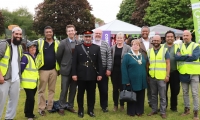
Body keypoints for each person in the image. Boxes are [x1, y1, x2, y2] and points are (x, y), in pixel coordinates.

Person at [72, 30, 103, 118]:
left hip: (92, 75)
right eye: (86, 36)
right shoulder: (78, 47)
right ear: (83, 37)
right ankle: (80, 110)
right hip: (81, 74)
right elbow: (74, 62)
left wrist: (100, 74)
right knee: (80, 94)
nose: (87, 38)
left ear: (91, 37)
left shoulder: (96, 48)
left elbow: (99, 62)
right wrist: (74, 74)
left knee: (91, 94)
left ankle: (90, 110)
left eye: (89, 36)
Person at [175, 30, 200, 120]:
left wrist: (183, 56)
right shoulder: (179, 46)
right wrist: (188, 55)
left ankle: (196, 112)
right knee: (185, 93)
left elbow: (195, 57)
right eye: (184, 35)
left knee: (194, 93)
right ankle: (187, 109)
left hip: (194, 73)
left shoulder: (196, 46)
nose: (185, 37)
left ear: (191, 36)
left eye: (187, 35)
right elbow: (177, 57)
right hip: (183, 73)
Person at [56, 25, 80, 115]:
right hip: (65, 70)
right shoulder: (62, 43)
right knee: (64, 89)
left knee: (73, 90)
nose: (71, 32)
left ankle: (70, 106)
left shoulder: (79, 42)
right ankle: (61, 107)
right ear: (67, 33)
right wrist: (63, 64)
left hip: (75, 71)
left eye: (72, 30)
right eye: (69, 31)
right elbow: (58, 56)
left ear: (75, 32)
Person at [0, 27, 23, 120]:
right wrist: (0, 75)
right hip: (4, 79)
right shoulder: (4, 44)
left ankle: (9, 118)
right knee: (1, 101)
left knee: (14, 102)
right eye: (16, 34)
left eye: (20, 34)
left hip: (15, 79)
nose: (18, 36)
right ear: (12, 34)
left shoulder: (20, 47)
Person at [36, 26, 60, 116]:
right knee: (41, 90)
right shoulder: (39, 42)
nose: (49, 33)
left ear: (52, 33)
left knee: (52, 90)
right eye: (47, 32)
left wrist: (59, 69)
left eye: (50, 32)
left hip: (53, 70)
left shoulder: (57, 43)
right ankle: (41, 108)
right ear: (44, 33)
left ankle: (50, 107)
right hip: (43, 70)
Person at [121, 40, 147, 117]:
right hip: (131, 80)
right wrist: (126, 81)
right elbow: (124, 69)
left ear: (139, 46)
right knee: (132, 95)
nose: (135, 46)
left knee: (140, 95)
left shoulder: (142, 55)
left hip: (141, 80)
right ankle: (131, 111)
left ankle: (139, 111)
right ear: (131, 46)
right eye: (133, 44)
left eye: (137, 44)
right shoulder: (127, 56)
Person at [147, 35, 170, 119]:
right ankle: (154, 110)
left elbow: (168, 63)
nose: (156, 42)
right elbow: (148, 64)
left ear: (161, 41)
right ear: (152, 41)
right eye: (154, 40)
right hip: (152, 76)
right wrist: (148, 75)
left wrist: (167, 75)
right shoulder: (149, 51)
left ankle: (163, 112)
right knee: (153, 95)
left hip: (162, 77)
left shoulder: (165, 50)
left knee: (162, 95)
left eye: (157, 40)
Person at [110, 32, 131, 112]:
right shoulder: (112, 48)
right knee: (115, 89)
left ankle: (122, 105)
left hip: (124, 72)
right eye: (118, 38)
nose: (119, 39)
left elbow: (129, 59)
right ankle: (115, 105)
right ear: (116, 39)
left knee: (122, 88)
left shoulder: (128, 48)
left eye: (121, 38)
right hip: (114, 72)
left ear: (124, 39)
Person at [93, 29, 112, 112]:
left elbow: (109, 57)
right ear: (94, 34)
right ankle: (91, 106)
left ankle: (104, 106)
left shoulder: (105, 44)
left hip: (103, 70)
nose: (97, 35)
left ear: (102, 35)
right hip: (92, 70)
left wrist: (108, 69)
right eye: (96, 33)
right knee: (91, 90)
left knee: (104, 90)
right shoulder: (90, 43)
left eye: (99, 33)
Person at [21, 42, 38, 120]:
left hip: (33, 83)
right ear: (27, 49)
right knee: (31, 99)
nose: (33, 48)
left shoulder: (34, 56)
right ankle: (30, 115)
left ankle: (28, 113)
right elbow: (21, 69)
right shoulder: (25, 57)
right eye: (31, 47)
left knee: (29, 99)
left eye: (34, 47)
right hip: (27, 83)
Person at [164, 30, 180, 112]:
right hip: (164, 72)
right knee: (164, 91)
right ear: (165, 38)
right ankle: (164, 107)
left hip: (175, 72)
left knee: (175, 90)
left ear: (174, 38)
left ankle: (174, 107)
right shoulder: (162, 47)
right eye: (168, 37)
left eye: (171, 37)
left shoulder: (178, 47)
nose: (169, 38)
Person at [139, 26, 153, 108]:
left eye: (146, 31)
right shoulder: (137, 41)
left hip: (151, 67)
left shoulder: (153, 41)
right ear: (141, 32)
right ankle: (140, 103)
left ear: (149, 32)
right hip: (141, 67)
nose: (144, 33)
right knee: (141, 86)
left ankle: (151, 102)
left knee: (151, 86)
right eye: (143, 31)